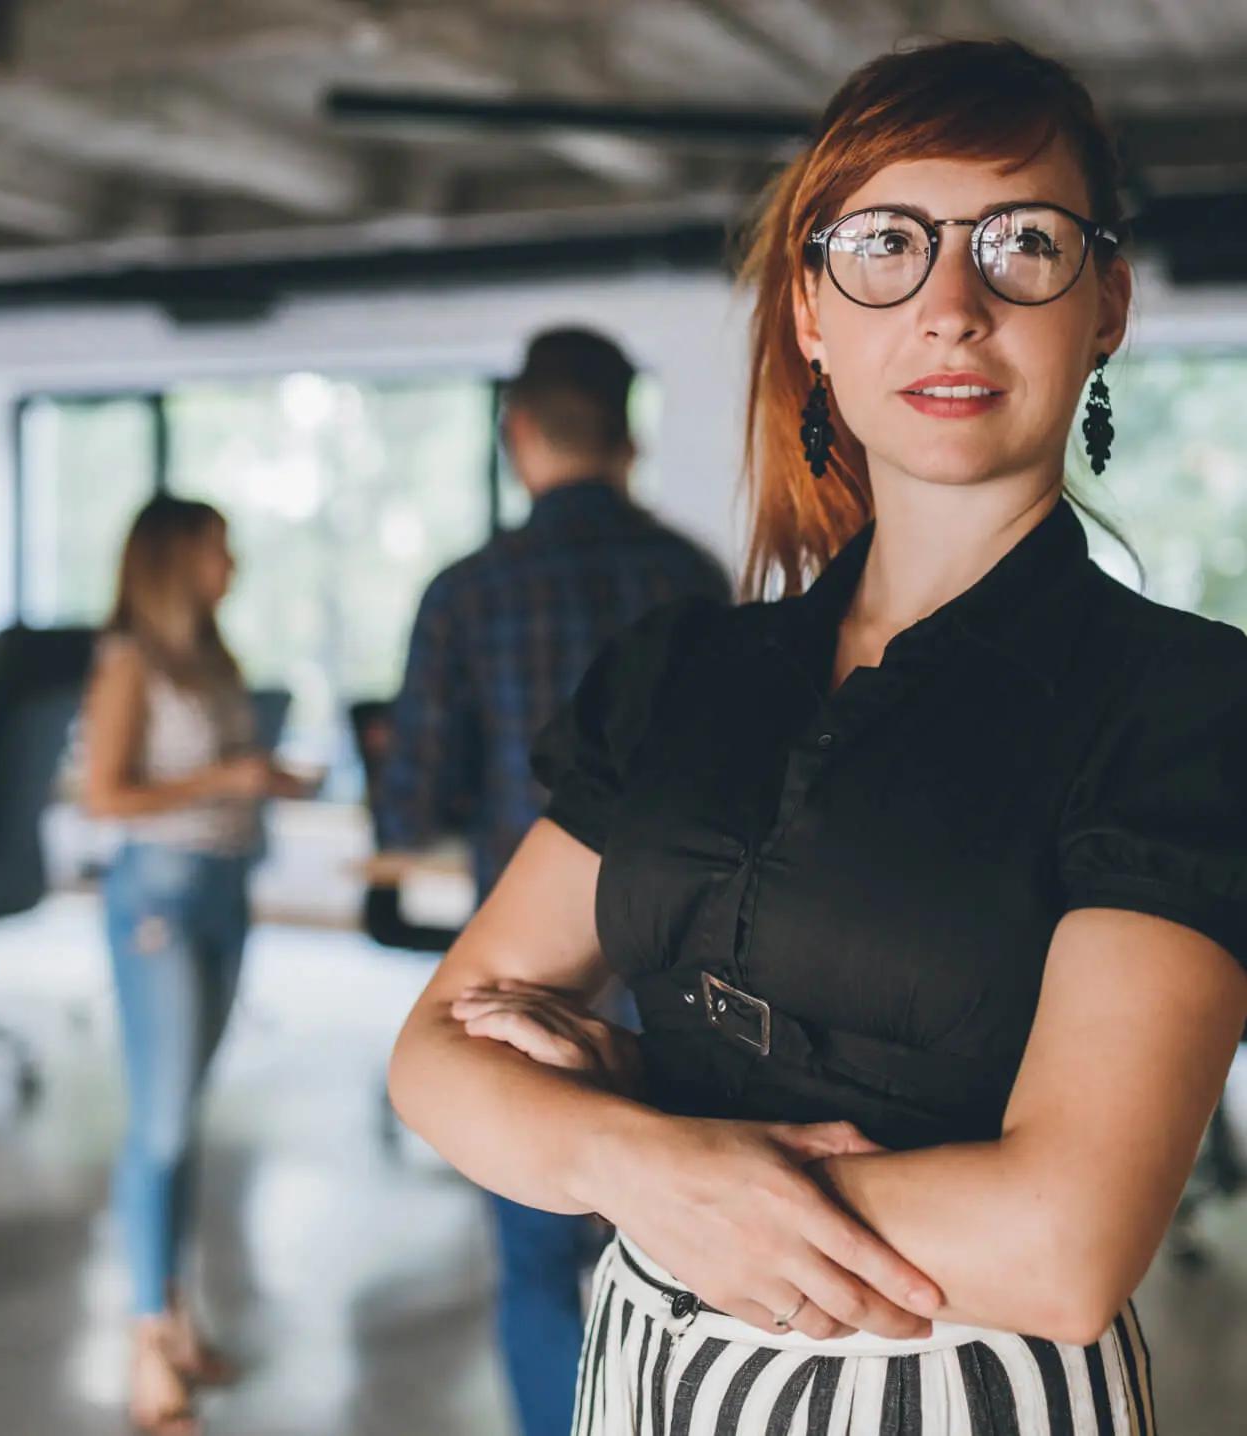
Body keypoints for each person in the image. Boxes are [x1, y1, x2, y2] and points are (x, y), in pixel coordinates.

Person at [387, 38, 1247, 1436]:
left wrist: (633, 1143)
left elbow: (1068, 1244)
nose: (950, 305)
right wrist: (641, 1147)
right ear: (811, 312)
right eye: (885, 245)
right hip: (646, 1382)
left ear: (1107, 304)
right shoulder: (680, 668)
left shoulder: (1185, 705)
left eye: (1023, 242)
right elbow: (434, 1056)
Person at [375, 325, 730, 1436]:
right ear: (628, 435)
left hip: (525, 975)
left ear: (516, 433)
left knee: (532, 1250)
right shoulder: (691, 577)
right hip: (685, 963)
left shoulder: (467, 592)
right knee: (683, 1237)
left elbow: (415, 802)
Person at [84, 496, 309, 1434]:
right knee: (162, 1124)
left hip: (222, 889)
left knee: (185, 1118)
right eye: (220, 551)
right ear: (176, 561)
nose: (234, 567)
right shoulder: (129, 661)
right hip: (160, 900)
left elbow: (229, 770)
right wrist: (228, 779)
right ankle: (145, 1343)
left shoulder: (212, 659)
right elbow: (105, 796)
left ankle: (174, 1317)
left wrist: (270, 780)